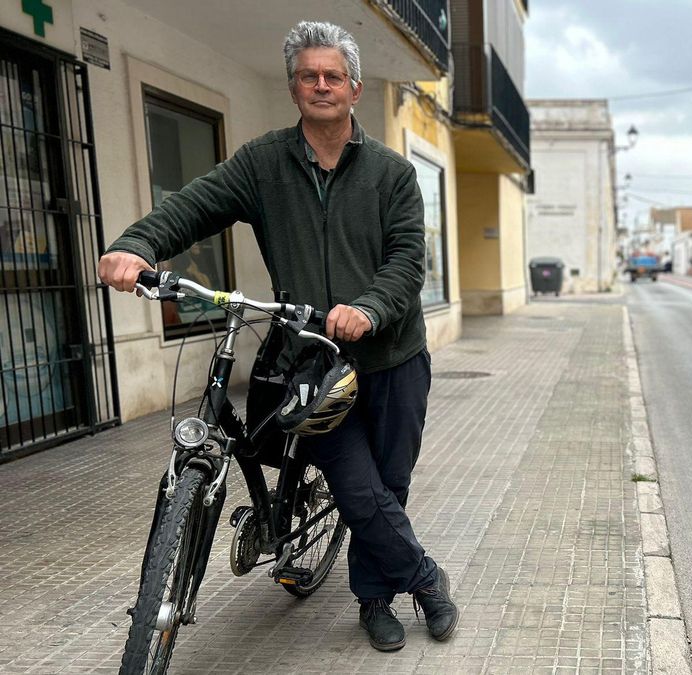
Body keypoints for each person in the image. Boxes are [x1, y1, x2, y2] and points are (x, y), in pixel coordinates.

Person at [97, 21, 457, 652]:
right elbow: (195, 204)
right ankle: (425, 579)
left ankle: (373, 599)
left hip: (393, 355)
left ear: (354, 87)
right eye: (308, 76)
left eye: (333, 76)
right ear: (294, 89)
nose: (321, 85)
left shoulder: (392, 174)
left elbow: (406, 260)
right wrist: (137, 245)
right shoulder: (264, 163)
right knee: (357, 487)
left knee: (388, 485)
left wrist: (369, 307)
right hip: (312, 363)